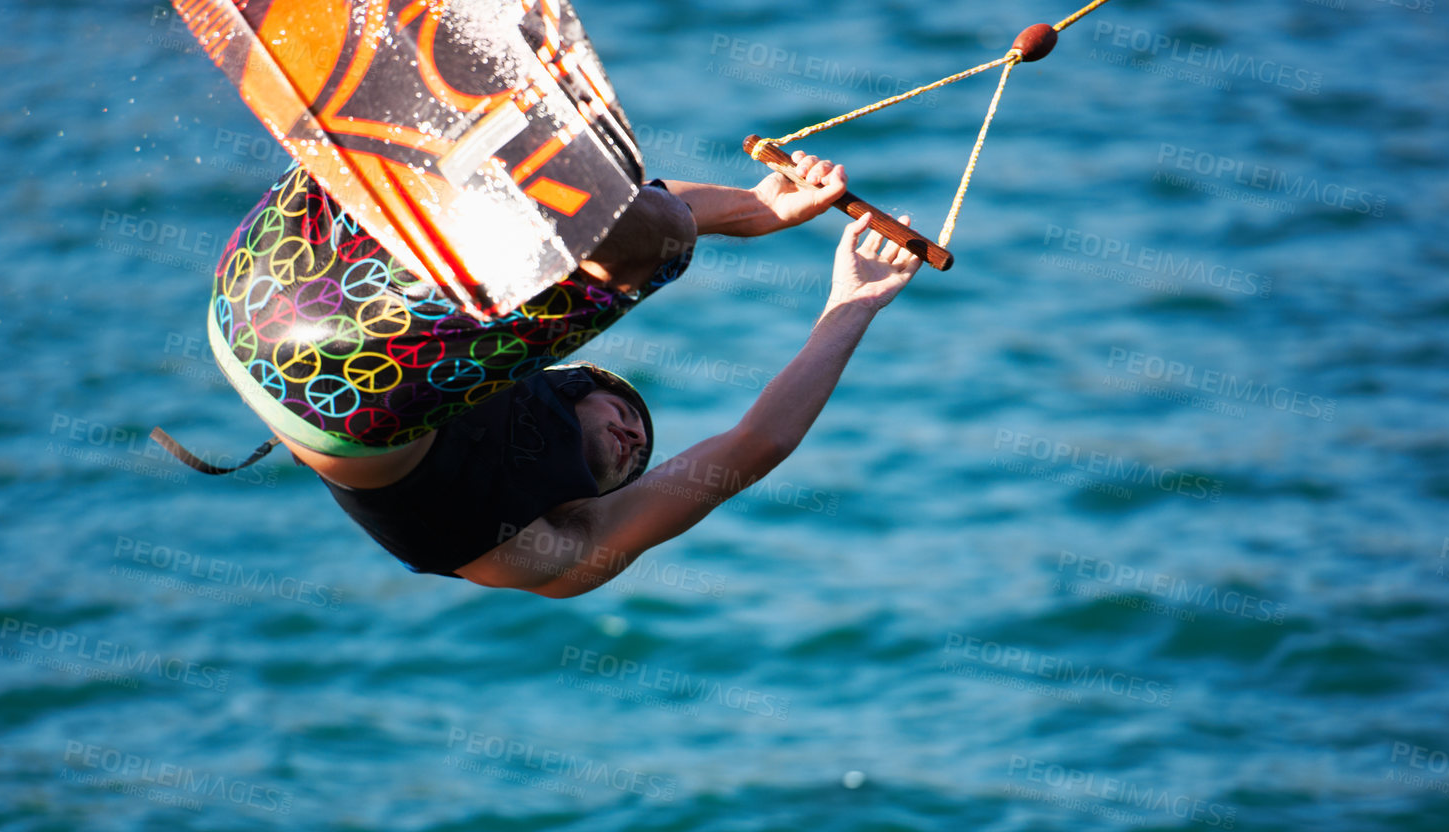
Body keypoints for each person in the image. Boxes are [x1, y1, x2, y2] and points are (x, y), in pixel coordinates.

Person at [165, 150, 920, 595]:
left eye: (637, 459)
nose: (633, 437)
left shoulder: (571, 545)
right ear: (569, 381)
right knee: (434, 174)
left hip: (341, 388)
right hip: (278, 282)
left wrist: (850, 308)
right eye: (627, 412)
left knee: (626, 233)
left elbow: (750, 448)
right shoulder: (492, 357)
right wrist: (751, 206)